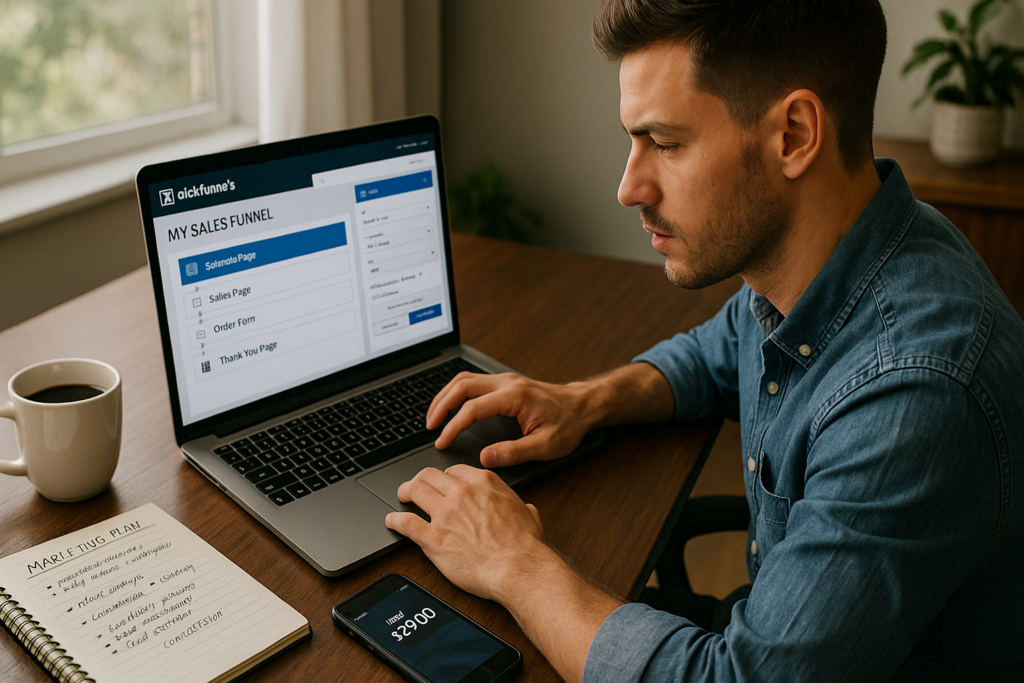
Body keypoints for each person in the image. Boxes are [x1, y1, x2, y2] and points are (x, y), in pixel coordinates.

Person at [385, 1, 1024, 681]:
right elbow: (719, 351)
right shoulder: (839, 249)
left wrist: (513, 561)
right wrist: (584, 400)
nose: (628, 186)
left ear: (794, 134)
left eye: (664, 142)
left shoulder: (915, 395)